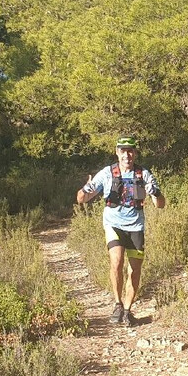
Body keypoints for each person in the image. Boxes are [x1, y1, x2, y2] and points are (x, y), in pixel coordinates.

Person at [76, 136, 166, 326]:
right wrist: (87, 187)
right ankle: (117, 304)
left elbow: (160, 205)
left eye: (131, 150)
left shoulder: (144, 174)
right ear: (117, 152)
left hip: (136, 227)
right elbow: (81, 199)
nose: (127, 155)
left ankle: (127, 311)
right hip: (113, 224)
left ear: (136, 153)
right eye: (123, 151)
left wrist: (155, 192)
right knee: (116, 262)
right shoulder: (107, 173)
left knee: (135, 270)